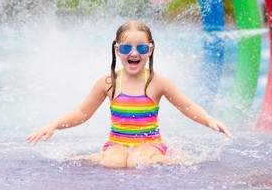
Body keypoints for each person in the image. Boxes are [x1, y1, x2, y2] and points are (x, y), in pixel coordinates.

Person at [27, 20, 232, 168]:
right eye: (126, 47)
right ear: (117, 49)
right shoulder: (108, 83)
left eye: (141, 47)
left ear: (150, 50)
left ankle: (176, 159)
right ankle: (93, 156)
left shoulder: (157, 82)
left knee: (138, 162)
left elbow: (187, 106)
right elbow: (82, 112)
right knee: (114, 163)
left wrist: (209, 121)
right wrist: (53, 125)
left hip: (149, 144)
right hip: (117, 143)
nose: (134, 53)